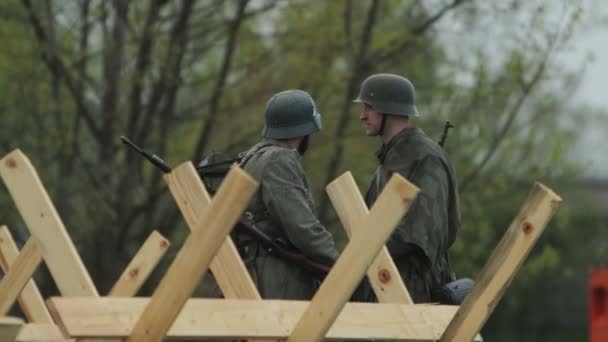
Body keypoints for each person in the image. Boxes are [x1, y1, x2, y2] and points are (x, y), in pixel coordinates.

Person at [353, 73, 460, 303]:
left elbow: (421, 235)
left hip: (411, 289)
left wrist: (360, 256)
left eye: (369, 108)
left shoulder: (425, 158)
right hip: (380, 284)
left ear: (388, 109)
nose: (363, 116)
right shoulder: (391, 159)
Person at [237, 89, 339, 300]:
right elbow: (302, 228)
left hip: (251, 270)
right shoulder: (279, 160)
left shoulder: (251, 157)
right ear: (305, 130)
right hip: (277, 277)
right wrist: (342, 265)